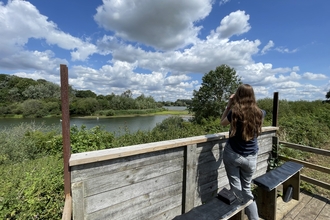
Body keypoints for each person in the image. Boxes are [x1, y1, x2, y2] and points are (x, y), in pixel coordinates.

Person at [220, 84, 265, 220]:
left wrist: (229, 104)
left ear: (238, 95)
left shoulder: (234, 112)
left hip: (232, 154)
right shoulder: (260, 112)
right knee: (246, 189)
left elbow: (222, 123)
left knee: (236, 190)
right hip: (251, 157)